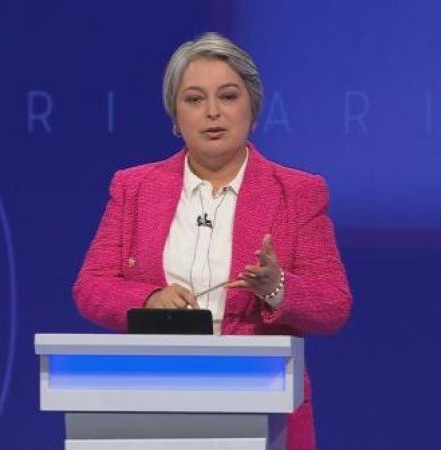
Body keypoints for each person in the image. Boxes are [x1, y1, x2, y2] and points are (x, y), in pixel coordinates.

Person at [73, 32, 352, 450]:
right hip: (152, 403)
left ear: (252, 107)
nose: (212, 112)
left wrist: (276, 286)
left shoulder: (297, 193)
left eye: (228, 96)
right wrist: (149, 299)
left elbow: (334, 304)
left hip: (262, 409)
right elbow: (91, 287)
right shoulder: (135, 187)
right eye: (194, 99)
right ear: (175, 115)